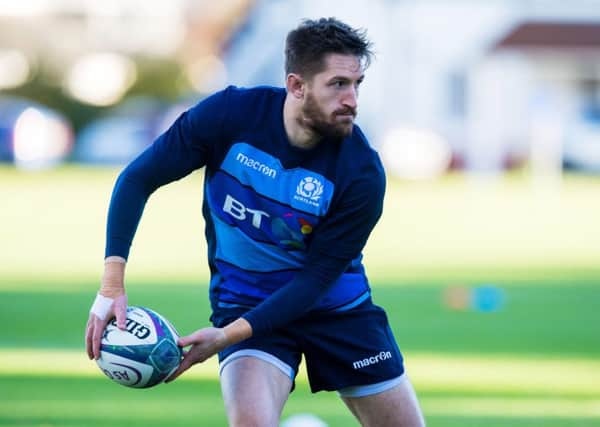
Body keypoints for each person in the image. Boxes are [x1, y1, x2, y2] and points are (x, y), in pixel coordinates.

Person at [85, 17, 425, 427]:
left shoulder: (361, 171)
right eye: (338, 84)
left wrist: (224, 338)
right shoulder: (231, 117)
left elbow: (315, 280)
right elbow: (137, 179)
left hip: (338, 310)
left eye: (357, 84)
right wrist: (111, 286)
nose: (352, 99)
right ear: (297, 85)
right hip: (247, 302)